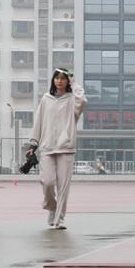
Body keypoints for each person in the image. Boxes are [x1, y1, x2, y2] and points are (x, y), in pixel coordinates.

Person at [28, 69, 87, 229]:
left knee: (63, 188)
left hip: (65, 148)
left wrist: (75, 84)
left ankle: (59, 219)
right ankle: (52, 207)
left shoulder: (72, 99)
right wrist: (33, 143)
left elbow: (82, 101)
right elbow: (39, 121)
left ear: (68, 81)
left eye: (63, 78)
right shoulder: (46, 99)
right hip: (47, 147)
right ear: (53, 80)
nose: (60, 81)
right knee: (47, 182)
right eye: (57, 78)